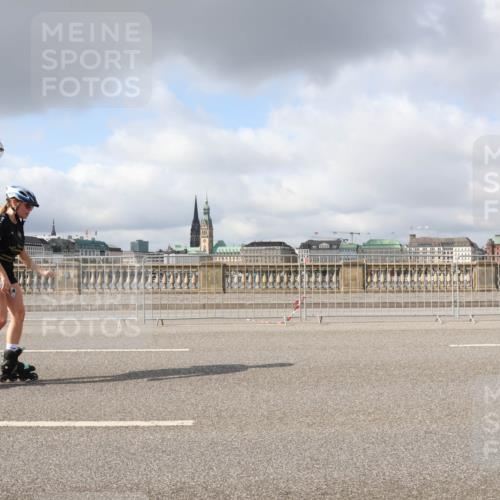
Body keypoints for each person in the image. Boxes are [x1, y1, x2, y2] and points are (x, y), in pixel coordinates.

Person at [0, 186, 55, 382]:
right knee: (0, 319)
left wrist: (41, 271)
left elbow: (22, 254)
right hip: (0, 273)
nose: (30, 210)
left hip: (8, 274)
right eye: (28, 206)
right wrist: (2, 276)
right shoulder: (2, 222)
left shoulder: (18, 224)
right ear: (14, 202)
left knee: (20, 313)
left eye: (32, 207)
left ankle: (10, 359)